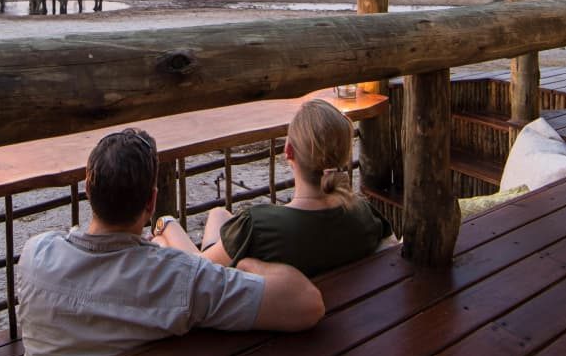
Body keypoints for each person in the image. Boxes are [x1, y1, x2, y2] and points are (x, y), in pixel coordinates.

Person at [16, 127, 325, 356]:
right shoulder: (177, 278)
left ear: (88, 189)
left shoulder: (35, 255)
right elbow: (306, 303)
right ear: (151, 201)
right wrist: (246, 263)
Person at [158, 99, 391, 277]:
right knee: (218, 213)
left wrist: (166, 223)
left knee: (164, 240)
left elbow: (198, 269)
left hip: (271, 328)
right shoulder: (363, 213)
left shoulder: (258, 226)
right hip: (347, 319)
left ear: (288, 151)